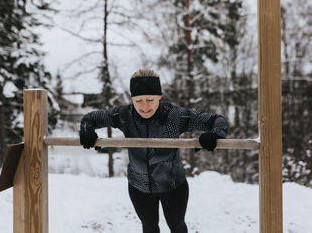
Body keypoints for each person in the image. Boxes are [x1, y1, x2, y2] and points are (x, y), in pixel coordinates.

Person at [79, 69, 228, 233]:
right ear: (132, 99)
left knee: (177, 227)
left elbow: (216, 120)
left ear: (159, 96)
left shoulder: (175, 115)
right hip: (139, 186)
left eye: (150, 99)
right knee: (149, 228)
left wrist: (215, 135)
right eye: (138, 100)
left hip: (173, 186)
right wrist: (87, 131)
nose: (144, 106)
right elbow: (90, 118)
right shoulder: (124, 115)